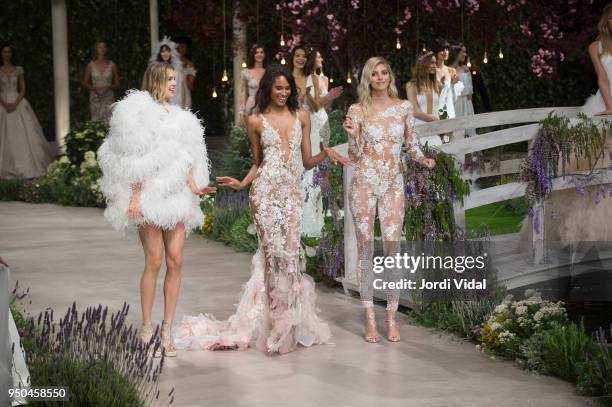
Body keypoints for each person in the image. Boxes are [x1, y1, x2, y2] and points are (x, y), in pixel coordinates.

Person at [175, 64, 351, 355]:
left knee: (291, 258)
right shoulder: (254, 120)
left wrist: (327, 153)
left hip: (292, 194)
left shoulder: (302, 116)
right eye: (277, 88)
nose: (282, 93)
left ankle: (289, 325)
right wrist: (242, 184)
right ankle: (272, 327)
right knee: (272, 257)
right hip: (265, 193)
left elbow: (306, 161)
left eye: (286, 89)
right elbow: (258, 162)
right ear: (268, 88)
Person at [97, 62, 214, 357]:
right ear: (156, 80)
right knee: (154, 261)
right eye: (170, 79)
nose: (175, 83)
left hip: (176, 196)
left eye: (176, 79)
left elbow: (187, 158)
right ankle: (146, 325)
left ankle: (167, 327)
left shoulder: (181, 118)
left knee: (176, 261)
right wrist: (135, 197)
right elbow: (134, 157)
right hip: (149, 195)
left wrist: (196, 185)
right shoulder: (139, 112)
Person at [343, 57, 435, 343]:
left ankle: (391, 318)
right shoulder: (357, 111)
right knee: (366, 250)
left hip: (393, 185)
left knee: (393, 251)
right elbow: (355, 156)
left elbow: (412, 144)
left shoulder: (404, 108)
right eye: (374, 73)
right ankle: (370, 318)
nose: (380, 77)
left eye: (384, 72)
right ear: (367, 79)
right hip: (363, 184)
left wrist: (423, 159)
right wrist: (355, 136)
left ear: (390, 76)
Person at [300, 48, 343, 237]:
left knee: (323, 161)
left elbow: (322, 104)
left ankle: (327, 206)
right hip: (310, 119)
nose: (322, 58)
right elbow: (310, 104)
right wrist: (321, 98)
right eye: (319, 56)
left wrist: (329, 98)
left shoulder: (322, 79)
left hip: (322, 119)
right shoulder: (306, 78)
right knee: (312, 160)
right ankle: (311, 202)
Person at [0, 44, 54, 178]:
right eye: (5, 52)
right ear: (2, 54)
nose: (7, 54)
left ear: (12, 54)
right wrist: (5, 103)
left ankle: (26, 164)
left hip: (17, 101)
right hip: (3, 102)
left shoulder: (18, 69)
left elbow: (23, 89)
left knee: (22, 133)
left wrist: (15, 103)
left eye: (9, 52)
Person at [406, 52, 444, 147]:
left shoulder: (437, 85)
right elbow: (415, 112)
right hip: (419, 129)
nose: (434, 66)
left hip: (435, 129)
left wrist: (443, 123)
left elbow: (441, 107)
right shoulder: (412, 85)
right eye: (431, 63)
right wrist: (435, 119)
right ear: (423, 64)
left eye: (435, 63)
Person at [81, 41, 119, 123]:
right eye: (100, 47)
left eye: (104, 47)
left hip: (108, 97)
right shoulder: (90, 65)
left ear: (107, 49)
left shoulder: (112, 65)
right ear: (96, 50)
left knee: (109, 121)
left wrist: (108, 87)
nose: (102, 49)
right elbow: (85, 82)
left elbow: (117, 84)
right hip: (95, 97)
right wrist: (94, 89)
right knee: (96, 121)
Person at [150, 37, 189, 109]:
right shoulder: (155, 68)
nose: (165, 53)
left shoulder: (177, 68)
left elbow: (182, 86)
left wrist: (184, 104)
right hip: (160, 101)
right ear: (159, 53)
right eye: (163, 51)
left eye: (168, 51)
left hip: (176, 100)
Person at [448, 44, 476, 138]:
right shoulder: (446, 70)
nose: (465, 54)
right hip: (454, 105)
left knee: (469, 132)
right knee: (456, 133)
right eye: (463, 52)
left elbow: (470, 94)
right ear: (456, 53)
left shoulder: (465, 69)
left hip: (467, 105)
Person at [239, 44, 266, 124]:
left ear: (264, 55)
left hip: (266, 106)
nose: (259, 54)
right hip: (251, 107)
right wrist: (241, 113)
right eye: (256, 52)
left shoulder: (269, 72)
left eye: (261, 52)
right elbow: (243, 94)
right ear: (253, 55)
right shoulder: (246, 72)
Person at [175, 37, 196, 110]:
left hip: (184, 95)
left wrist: (185, 76)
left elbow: (191, 86)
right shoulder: (170, 62)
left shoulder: (189, 64)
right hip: (172, 94)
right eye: (180, 46)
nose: (181, 49)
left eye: (183, 46)